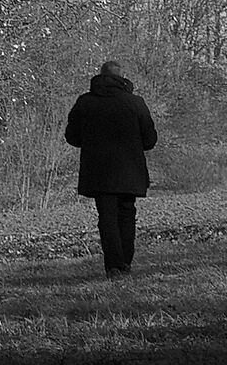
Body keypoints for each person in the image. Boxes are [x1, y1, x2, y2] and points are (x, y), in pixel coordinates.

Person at [64, 59, 158, 276]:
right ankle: (125, 262)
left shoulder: (85, 103)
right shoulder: (136, 103)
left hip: (98, 172)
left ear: (100, 76)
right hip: (129, 171)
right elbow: (150, 139)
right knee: (126, 215)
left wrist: (90, 143)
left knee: (106, 218)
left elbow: (72, 136)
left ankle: (113, 265)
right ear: (121, 78)